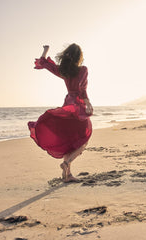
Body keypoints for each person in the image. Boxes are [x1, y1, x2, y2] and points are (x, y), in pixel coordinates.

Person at [28, 44, 93, 182]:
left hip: (68, 104)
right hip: (77, 106)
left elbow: (44, 63)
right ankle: (67, 163)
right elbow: (82, 90)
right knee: (84, 139)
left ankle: (67, 176)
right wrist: (88, 103)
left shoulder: (64, 71)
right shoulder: (83, 70)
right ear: (79, 57)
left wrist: (45, 50)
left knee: (69, 140)